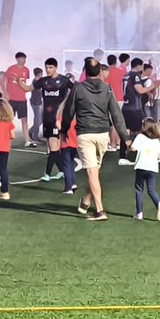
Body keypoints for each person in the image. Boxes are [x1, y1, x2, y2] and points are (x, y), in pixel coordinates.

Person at [60, 58, 130, 222]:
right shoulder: (107, 89)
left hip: (85, 134)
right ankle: (86, 200)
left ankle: (99, 211)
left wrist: (63, 130)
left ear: (84, 71)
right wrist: (125, 137)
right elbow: (116, 114)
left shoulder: (78, 88)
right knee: (94, 171)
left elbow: (68, 111)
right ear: (99, 72)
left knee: (92, 172)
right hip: (103, 135)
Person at [33, 58, 73, 182]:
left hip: (58, 118)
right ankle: (62, 170)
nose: (48, 70)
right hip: (47, 118)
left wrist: (68, 103)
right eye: (46, 67)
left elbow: (75, 90)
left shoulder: (64, 80)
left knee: (54, 146)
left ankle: (47, 173)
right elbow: (28, 88)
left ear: (55, 67)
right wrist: (18, 82)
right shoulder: (43, 81)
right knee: (53, 146)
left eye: (50, 67)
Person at [130, 118, 160, 221]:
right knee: (151, 190)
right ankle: (158, 203)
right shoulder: (156, 141)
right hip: (153, 168)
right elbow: (159, 156)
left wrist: (129, 147)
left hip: (141, 166)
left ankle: (139, 213)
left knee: (139, 189)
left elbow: (133, 148)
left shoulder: (140, 137)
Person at [3, 53, 35, 147]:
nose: (24, 61)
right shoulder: (11, 69)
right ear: (17, 59)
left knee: (24, 120)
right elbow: (3, 81)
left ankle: (27, 140)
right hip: (11, 99)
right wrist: (5, 93)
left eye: (25, 59)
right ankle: (6, 138)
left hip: (22, 99)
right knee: (8, 119)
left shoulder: (26, 70)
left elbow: (25, 84)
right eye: (22, 59)